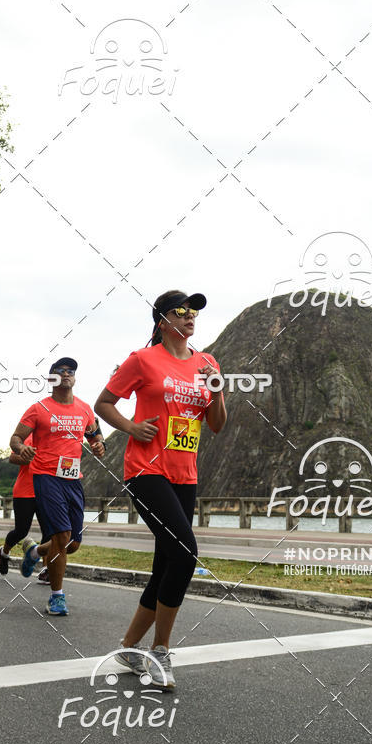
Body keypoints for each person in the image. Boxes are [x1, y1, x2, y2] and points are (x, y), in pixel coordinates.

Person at [95, 290, 226, 689]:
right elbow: (104, 403)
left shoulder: (207, 362)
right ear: (161, 320)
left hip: (185, 474)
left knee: (167, 564)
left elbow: (217, 424)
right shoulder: (142, 360)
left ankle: (129, 647)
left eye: (194, 312)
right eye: (181, 311)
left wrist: (217, 391)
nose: (190, 317)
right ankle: (161, 650)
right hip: (145, 470)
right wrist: (131, 427)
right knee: (185, 555)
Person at [9, 357, 105, 615]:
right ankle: (57, 596)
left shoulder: (84, 409)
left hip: (72, 479)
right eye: (60, 371)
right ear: (51, 378)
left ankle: (34, 553)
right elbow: (16, 438)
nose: (66, 374)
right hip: (46, 477)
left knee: (72, 543)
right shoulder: (39, 408)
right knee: (61, 537)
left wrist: (99, 445)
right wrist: (22, 447)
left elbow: (95, 434)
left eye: (70, 371)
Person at [0, 435, 50, 580]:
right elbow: (12, 458)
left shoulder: (54, 438)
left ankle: (46, 569)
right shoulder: (29, 437)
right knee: (21, 530)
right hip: (25, 491)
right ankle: (4, 553)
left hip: (46, 492)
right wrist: (28, 458)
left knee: (49, 531)